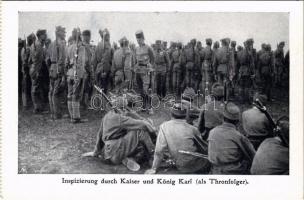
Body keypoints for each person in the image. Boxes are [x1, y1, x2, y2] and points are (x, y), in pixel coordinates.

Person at [83, 96, 156, 171]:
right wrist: (153, 132)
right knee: (139, 131)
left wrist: (95, 152)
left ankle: (127, 158)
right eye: (125, 107)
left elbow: (99, 136)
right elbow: (143, 124)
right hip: (116, 152)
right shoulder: (120, 119)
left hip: (107, 153)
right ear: (121, 108)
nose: (126, 109)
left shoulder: (107, 116)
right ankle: (154, 155)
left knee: (127, 133)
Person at [145, 102, 210, 174]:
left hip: (181, 166)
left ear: (171, 114)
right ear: (186, 115)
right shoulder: (192, 129)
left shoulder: (164, 126)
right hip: (196, 166)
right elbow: (204, 148)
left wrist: (153, 169)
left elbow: (159, 151)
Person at [208, 102, 256, 174]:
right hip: (233, 172)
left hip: (214, 171)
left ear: (223, 118)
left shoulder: (212, 132)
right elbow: (252, 156)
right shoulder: (238, 136)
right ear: (237, 122)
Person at [66, 28, 90, 123]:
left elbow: (66, 62)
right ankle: (76, 118)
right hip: (77, 73)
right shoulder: (81, 47)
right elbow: (82, 62)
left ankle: (72, 116)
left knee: (69, 94)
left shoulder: (70, 47)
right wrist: (81, 76)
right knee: (75, 95)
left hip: (70, 72)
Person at [46, 26, 67, 119]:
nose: (65, 34)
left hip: (52, 68)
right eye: (63, 32)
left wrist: (50, 68)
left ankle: (52, 112)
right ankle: (57, 114)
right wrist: (63, 74)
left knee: (51, 91)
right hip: (58, 68)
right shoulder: (61, 44)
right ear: (59, 33)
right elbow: (62, 60)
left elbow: (47, 59)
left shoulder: (51, 44)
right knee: (56, 92)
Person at [134, 30, 155, 114]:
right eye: (137, 39)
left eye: (140, 39)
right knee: (140, 90)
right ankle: (143, 107)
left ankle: (150, 108)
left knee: (147, 90)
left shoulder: (148, 48)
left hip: (146, 71)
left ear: (143, 38)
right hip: (138, 71)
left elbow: (153, 59)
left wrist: (150, 67)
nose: (138, 40)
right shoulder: (136, 48)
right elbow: (136, 59)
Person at [29, 29, 47, 114]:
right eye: (44, 34)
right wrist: (38, 71)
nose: (45, 36)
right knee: (36, 89)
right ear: (40, 35)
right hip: (37, 69)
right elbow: (40, 59)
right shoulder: (38, 45)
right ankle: (37, 108)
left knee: (36, 88)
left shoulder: (33, 45)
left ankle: (38, 107)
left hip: (33, 68)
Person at [93, 28, 113, 94]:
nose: (109, 37)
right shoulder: (107, 45)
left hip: (98, 69)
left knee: (98, 89)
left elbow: (94, 60)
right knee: (104, 91)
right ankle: (102, 104)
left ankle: (98, 103)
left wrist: (95, 71)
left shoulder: (98, 45)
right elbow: (105, 59)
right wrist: (104, 71)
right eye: (108, 35)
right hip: (104, 70)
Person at [236, 39, 255, 104]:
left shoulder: (239, 52)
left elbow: (237, 64)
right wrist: (253, 73)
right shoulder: (249, 53)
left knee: (241, 86)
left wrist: (238, 71)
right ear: (249, 45)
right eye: (251, 44)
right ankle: (248, 100)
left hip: (241, 71)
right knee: (248, 86)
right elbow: (252, 64)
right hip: (247, 71)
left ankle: (241, 100)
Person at [21, 33, 36, 109]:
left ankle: (26, 104)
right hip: (27, 69)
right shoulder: (28, 49)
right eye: (33, 39)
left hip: (26, 69)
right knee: (27, 87)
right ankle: (26, 104)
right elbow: (26, 60)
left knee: (26, 87)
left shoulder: (24, 49)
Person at [81, 30, 94, 109]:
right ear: (87, 37)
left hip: (81, 69)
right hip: (86, 69)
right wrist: (90, 70)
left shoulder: (82, 45)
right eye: (88, 36)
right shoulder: (86, 46)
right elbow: (88, 60)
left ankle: (83, 102)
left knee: (83, 86)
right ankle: (85, 103)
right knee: (86, 87)